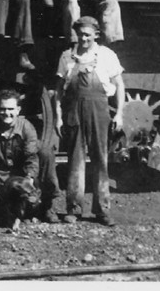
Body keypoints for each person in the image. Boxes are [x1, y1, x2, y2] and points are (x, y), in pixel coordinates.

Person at [54, 16, 125, 227]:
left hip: (99, 110)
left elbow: (119, 85)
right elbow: (58, 91)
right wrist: (58, 117)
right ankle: (73, 209)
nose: (83, 39)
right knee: (75, 160)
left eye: (87, 35)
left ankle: (102, 210)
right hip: (74, 111)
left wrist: (120, 113)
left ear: (96, 35)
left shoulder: (106, 56)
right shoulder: (67, 57)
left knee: (100, 160)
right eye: (80, 34)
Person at [0, 88, 62, 229]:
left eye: (11, 109)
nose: (7, 113)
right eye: (3, 109)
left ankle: (48, 206)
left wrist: (28, 178)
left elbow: (31, 156)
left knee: (46, 153)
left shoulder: (26, 128)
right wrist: (0, 186)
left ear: (18, 110)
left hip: (21, 173)